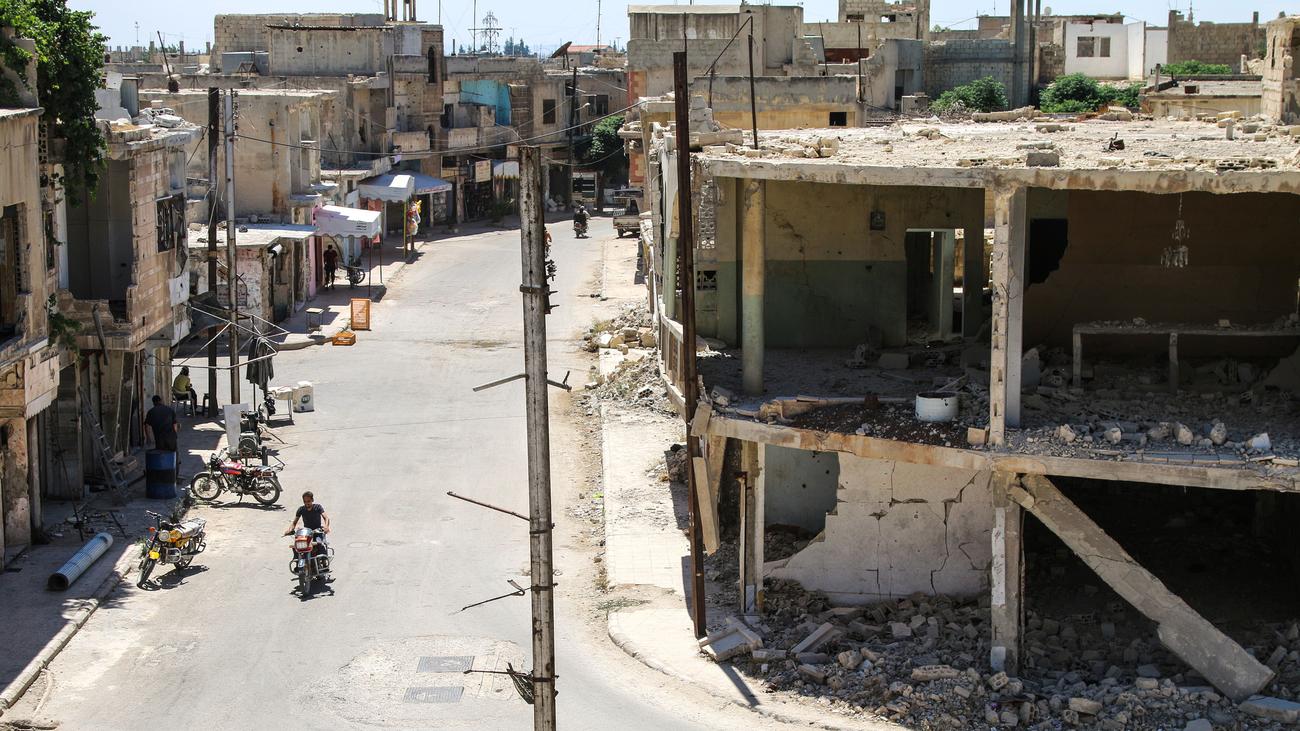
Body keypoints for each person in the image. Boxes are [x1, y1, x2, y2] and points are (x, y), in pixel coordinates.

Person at [284, 491, 331, 577]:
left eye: (308, 501)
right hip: (307, 532)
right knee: (297, 545)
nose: (307, 503)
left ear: (312, 500)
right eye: (305, 501)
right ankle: (298, 562)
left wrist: (326, 527)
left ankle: (324, 562)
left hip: (317, 531)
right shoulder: (301, 509)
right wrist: (290, 529)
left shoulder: (318, 507)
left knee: (320, 544)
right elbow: (294, 522)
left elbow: (326, 518)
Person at [144, 395, 180, 480]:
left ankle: (163, 476)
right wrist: (175, 434)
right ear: (161, 400)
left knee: (161, 457)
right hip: (171, 437)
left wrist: (148, 437)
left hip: (159, 439)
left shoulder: (151, 412)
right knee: (174, 456)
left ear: (153, 402)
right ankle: (175, 476)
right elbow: (175, 425)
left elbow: (146, 425)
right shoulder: (169, 410)